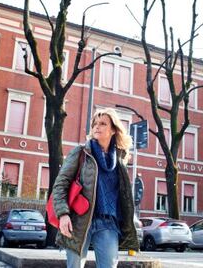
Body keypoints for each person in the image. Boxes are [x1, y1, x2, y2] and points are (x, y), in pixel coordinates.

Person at [52, 108, 139, 268]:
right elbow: (60, 184)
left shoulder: (120, 159)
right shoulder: (81, 152)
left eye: (103, 124)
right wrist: (63, 214)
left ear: (113, 129)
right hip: (79, 221)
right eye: (95, 124)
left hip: (108, 223)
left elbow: (123, 195)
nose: (97, 127)